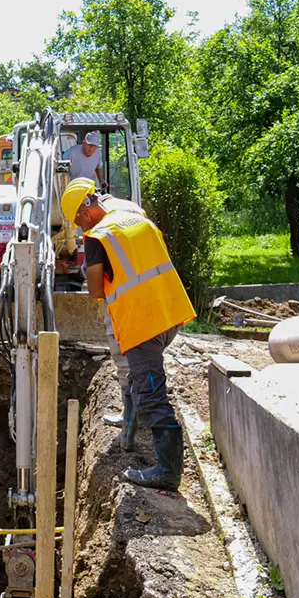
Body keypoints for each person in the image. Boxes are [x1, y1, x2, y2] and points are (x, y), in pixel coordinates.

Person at [61, 178, 196, 490]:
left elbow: (96, 289)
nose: (80, 229)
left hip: (142, 323)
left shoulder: (98, 237)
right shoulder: (131, 214)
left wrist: (87, 268)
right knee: (139, 379)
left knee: (151, 393)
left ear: (83, 213)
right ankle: (130, 430)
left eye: (78, 222)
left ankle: (167, 471)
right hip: (169, 311)